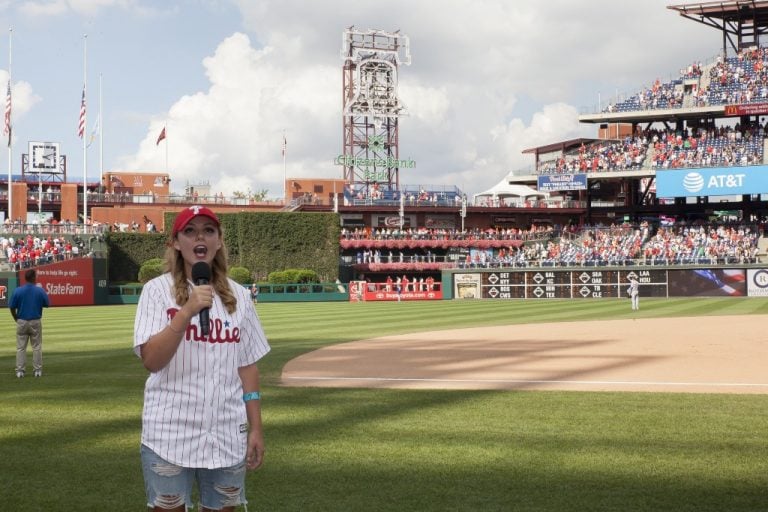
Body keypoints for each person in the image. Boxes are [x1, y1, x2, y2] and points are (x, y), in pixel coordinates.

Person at [133, 205, 270, 512]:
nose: (200, 237)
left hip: (226, 433)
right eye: (190, 231)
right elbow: (152, 361)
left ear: (219, 241)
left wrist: (257, 428)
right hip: (169, 434)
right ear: (176, 242)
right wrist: (186, 312)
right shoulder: (156, 293)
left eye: (208, 231)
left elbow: (247, 367)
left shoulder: (240, 297)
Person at [10, 268, 50, 378]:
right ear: (33, 277)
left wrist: (16, 318)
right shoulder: (39, 290)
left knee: (21, 347)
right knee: (36, 347)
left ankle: (20, 371)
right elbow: (47, 303)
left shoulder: (18, 290)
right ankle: (37, 371)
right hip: (35, 321)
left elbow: (12, 307)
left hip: (21, 320)